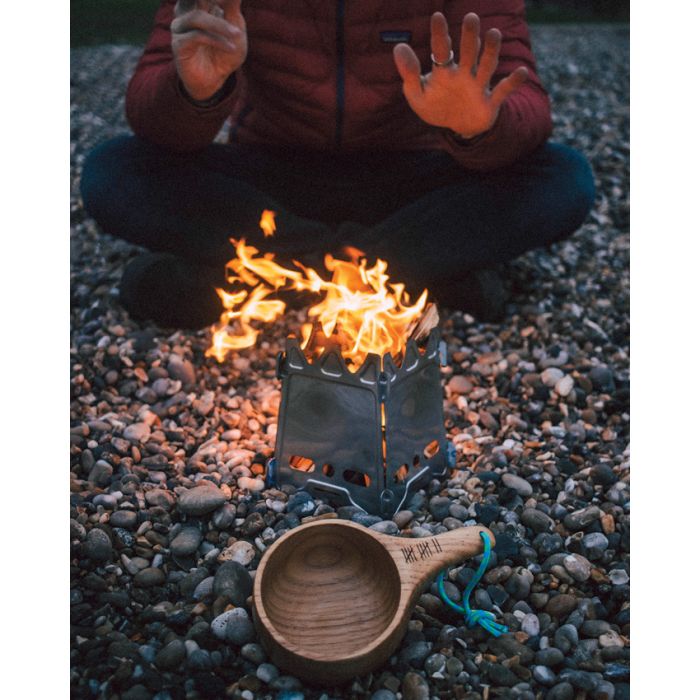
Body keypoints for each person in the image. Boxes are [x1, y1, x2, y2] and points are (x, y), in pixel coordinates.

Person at [80, 0, 595, 327]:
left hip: (411, 177)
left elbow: (527, 104)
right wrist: (195, 90)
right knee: (113, 169)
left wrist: (478, 123)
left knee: (563, 178)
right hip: (274, 179)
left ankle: (264, 276)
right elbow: (151, 111)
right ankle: (417, 276)